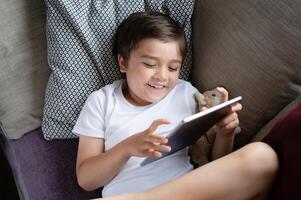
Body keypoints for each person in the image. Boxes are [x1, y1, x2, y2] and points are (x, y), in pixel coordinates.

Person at [73, 11, 278, 200]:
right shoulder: (101, 101)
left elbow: (217, 168)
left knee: (263, 157)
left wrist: (226, 133)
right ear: (123, 63)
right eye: (150, 64)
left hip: (187, 190)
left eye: (173, 67)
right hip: (126, 191)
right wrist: (127, 148)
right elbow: (86, 179)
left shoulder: (186, 93)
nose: (162, 76)